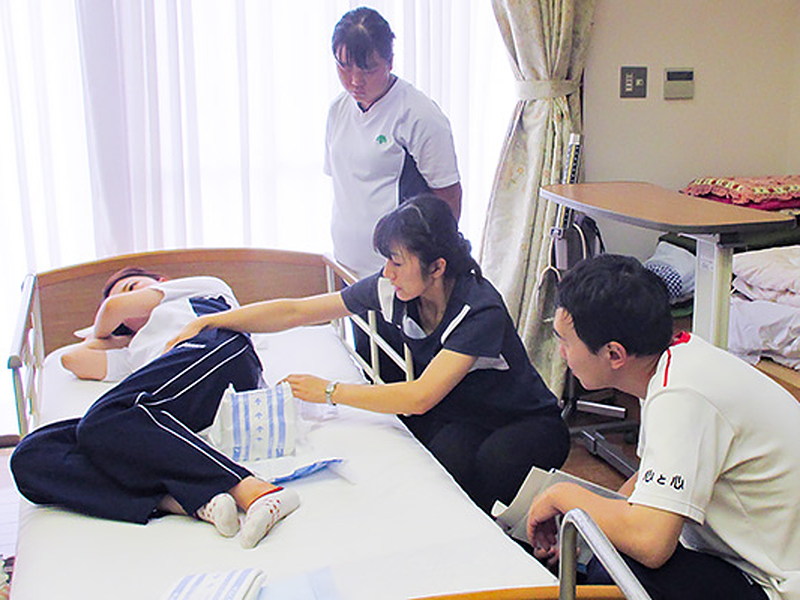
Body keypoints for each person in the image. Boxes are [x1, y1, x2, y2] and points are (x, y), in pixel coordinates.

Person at [169, 195, 570, 511]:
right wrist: (216, 320)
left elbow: (420, 397)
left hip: (525, 421)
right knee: (443, 466)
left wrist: (330, 391)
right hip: (468, 415)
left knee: (493, 466)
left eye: (397, 262)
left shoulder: (479, 310)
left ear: (436, 267)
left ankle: (523, 549)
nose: (387, 272)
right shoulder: (393, 288)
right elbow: (297, 311)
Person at [527, 254, 800, 600]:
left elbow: (650, 542)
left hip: (776, 584)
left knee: (612, 569)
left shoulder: (681, 396)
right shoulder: (677, 361)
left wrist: (561, 496)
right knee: (600, 550)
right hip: (763, 558)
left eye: (566, 342)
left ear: (614, 354)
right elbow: (649, 481)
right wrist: (589, 525)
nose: (563, 353)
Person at [11, 268, 299, 549]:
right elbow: (72, 359)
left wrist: (103, 327)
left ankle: (255, 491)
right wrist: (119, 339)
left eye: (132, 287)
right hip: (167, 410)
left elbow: (113, 307)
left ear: (162, 281)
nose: (126, 300)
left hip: (216, 353)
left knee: (107, 417)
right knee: (33, 454)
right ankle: (186, 499)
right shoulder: (135, 350)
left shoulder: (200, 290)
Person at [325, 6, 461, 279]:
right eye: (344, 66)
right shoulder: (338, 108)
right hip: (346, 264)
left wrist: (423, 270)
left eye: (368, 69)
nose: (355, 80)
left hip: (397, 273)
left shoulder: (419, 115)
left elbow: (448, 198)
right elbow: (344, 184)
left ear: (390, 62)